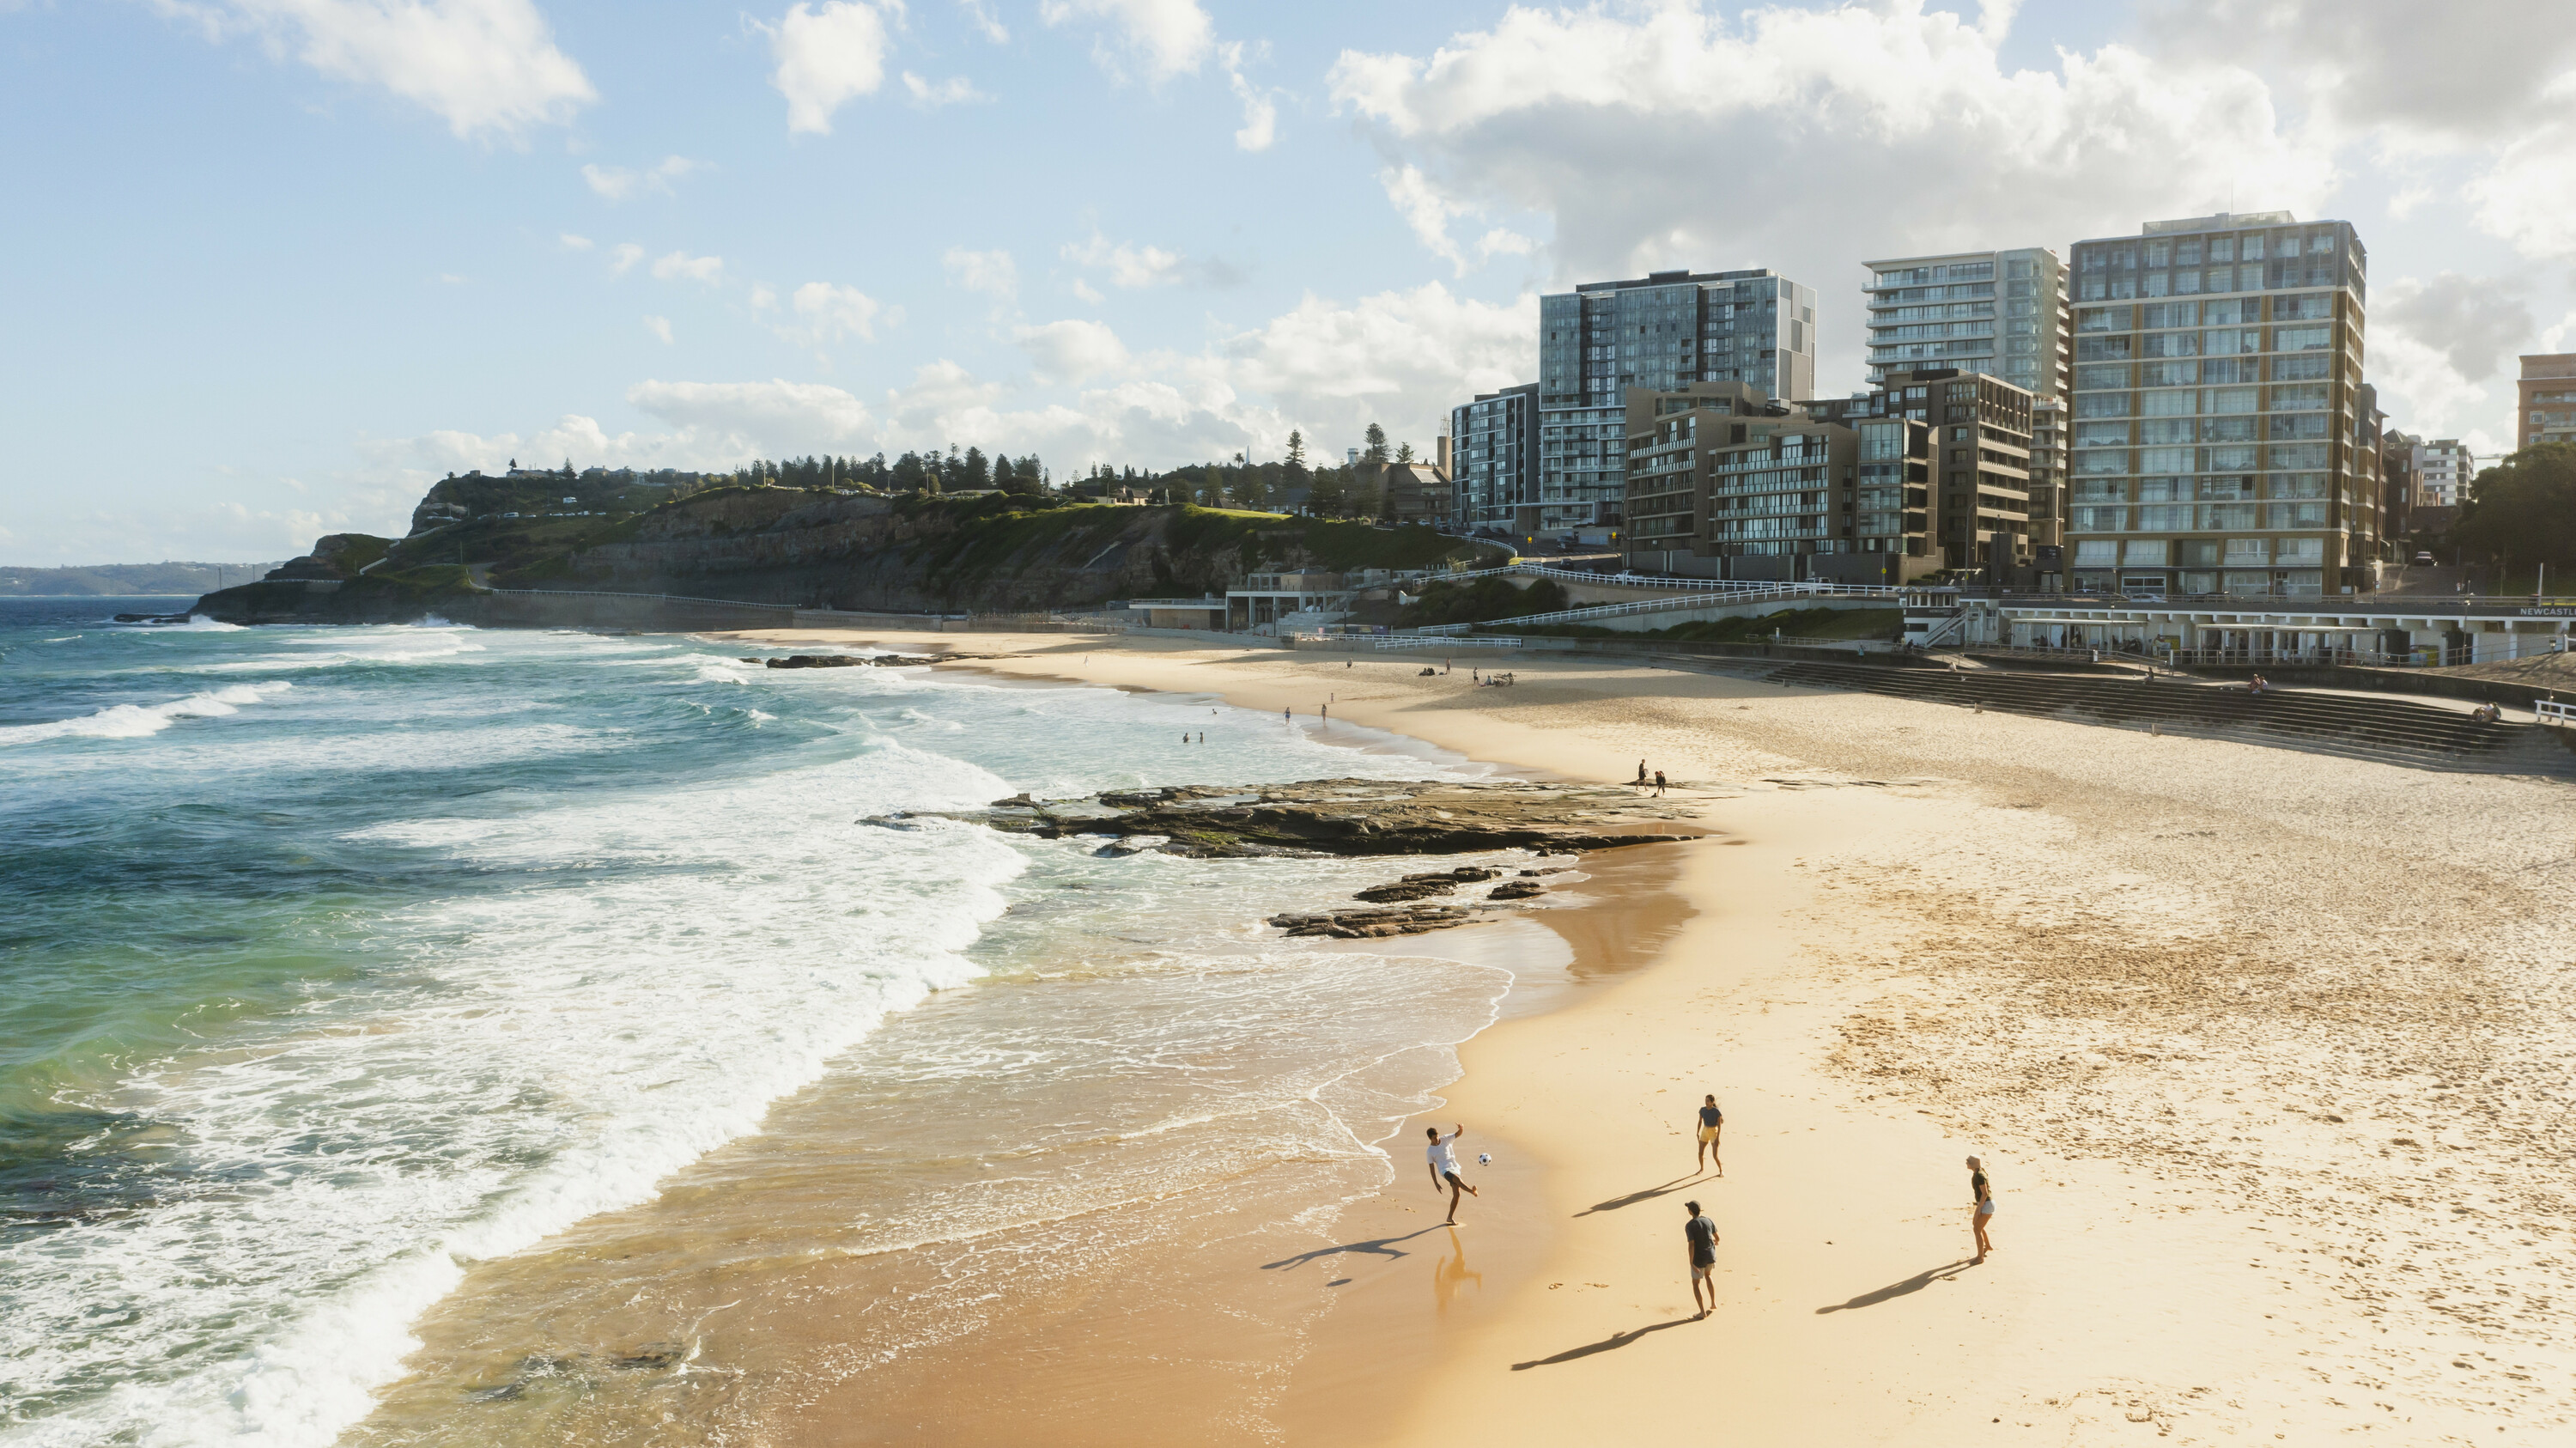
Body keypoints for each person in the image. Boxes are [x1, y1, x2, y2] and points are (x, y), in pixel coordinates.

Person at [1425, 1123, 1479, 1223]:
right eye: (1434, 1138)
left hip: (1454, 1167)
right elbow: (1432, 1169)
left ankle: (1449, 1217)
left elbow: (1458, 1134)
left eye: (1437, 1136)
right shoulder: (1430, 1152)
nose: (1437, 1139)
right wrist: (1436, 1183)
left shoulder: (1445, 1139)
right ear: (1430, 1138)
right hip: (1444, 1171)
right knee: (1457, 1179)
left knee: (1457, 1194)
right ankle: (1472, 1191)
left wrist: (1461, 1128)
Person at [1683, 1200, 1720, 1317]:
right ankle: (1713, 1303)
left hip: (1699, 1258)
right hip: (1710, 1255)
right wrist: (1716, 1242)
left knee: (1696, 1283)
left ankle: (1702, 1312)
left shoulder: (1690, 1225)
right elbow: (1717, 1237)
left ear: (1690, 1212)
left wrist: (1691, 1262)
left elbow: (1691, 1244)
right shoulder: (1708, 1220)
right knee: (1708, 1275)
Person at [1968, 1155, 1996, 1263]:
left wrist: (1979, 1209)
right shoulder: (1978, 1172)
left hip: (1986, 1204)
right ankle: (1988, 1246)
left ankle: (1980, 1258)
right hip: (1985, 1203)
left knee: (1977, 1229)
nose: (1967, 1163)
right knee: (1977, 1224)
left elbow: (1984, 1194)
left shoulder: (1979, 1175)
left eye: (1968, 1162)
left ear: (1972, 1164)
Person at [1694, 1094, 1723, 1176]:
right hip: (1705, 1131)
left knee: (1715, 1155)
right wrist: (1697, 1132)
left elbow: (1719, 1125)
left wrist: (1718, 1138)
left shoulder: (1716, 1111)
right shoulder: (1702, 1110)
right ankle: (1701, 1169)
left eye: (1708, 1101)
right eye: (1705, 1100)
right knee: (1700, 1153)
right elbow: (1700, 1121)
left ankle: (1721, 1170)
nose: (1706, 1102)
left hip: (1714, 1131)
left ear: (1712, 1102)